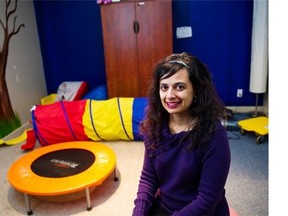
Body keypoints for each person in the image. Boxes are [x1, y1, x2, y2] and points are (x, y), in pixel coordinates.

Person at [132, 52, 231, 216]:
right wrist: (139, 213)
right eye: (164, 87)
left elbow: (206, 201)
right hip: (166, 207)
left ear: (196, 90)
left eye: (180, 87)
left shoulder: (214, 135)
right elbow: (149, 179)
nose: (170, 95)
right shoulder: (155, 126)